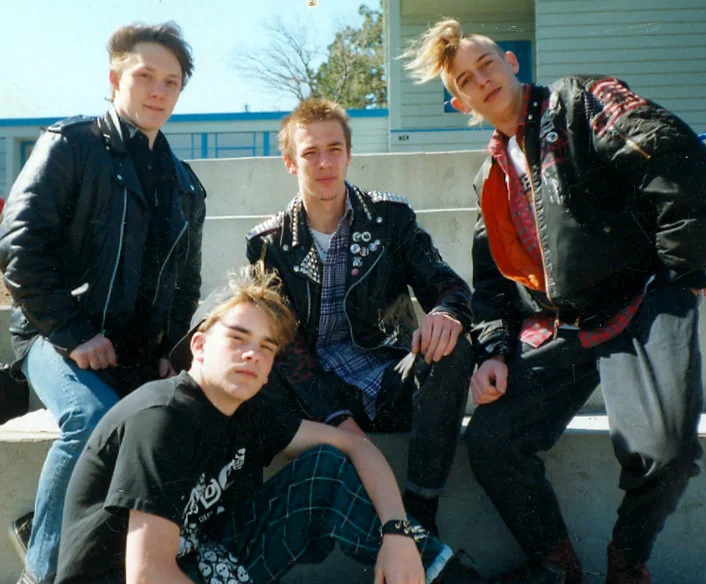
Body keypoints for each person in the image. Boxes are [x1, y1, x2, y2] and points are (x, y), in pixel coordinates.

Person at [401, 18, 706, 584]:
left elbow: (674, 153)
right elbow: (492, 282)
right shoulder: (490, 178)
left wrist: (678, 266)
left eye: (487, 64)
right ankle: (558, 566)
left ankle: (626, 563)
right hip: (565, 325)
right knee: (493, 442)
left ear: (511, 62)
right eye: (466, 80)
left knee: (665, 449)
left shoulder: (579, 101)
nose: (482, 80)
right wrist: (495, 351)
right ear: (458, 101)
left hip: (640, 302)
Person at [55, 269, 485, 584]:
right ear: (200, 346)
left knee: (324, 469)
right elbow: (148, 575)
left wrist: (397, 534)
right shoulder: (163, 418)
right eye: (238, 339)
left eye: (266, 347)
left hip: (204, 560)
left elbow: (358, 448)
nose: (252, 356)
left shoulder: (246, 410)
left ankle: (446, 576)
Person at [0, 22, 206, 584]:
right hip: (52, 335)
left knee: (182, 419)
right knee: (90, 419)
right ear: (116, 78)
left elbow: (185, 284)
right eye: (145, 76)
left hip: (137, 351)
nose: (158, 91)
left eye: (172, 82)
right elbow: (18, 245)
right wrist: (72, 333)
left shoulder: (186, 185)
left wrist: (171, 351)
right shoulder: (72, 145)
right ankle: (40, 574)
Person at [246, 98, 474, 536]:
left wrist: (446, 312)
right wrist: (335, 417)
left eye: (334, 149)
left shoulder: (391, 219)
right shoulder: (269, 245)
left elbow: (445, 284)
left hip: (392, 380)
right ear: (291, 163)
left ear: (350, 154)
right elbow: (289, 348)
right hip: (316, 397)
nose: (325, 162)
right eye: (311, 152)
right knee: (254, 360)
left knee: (454, 345)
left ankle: (422, 513)